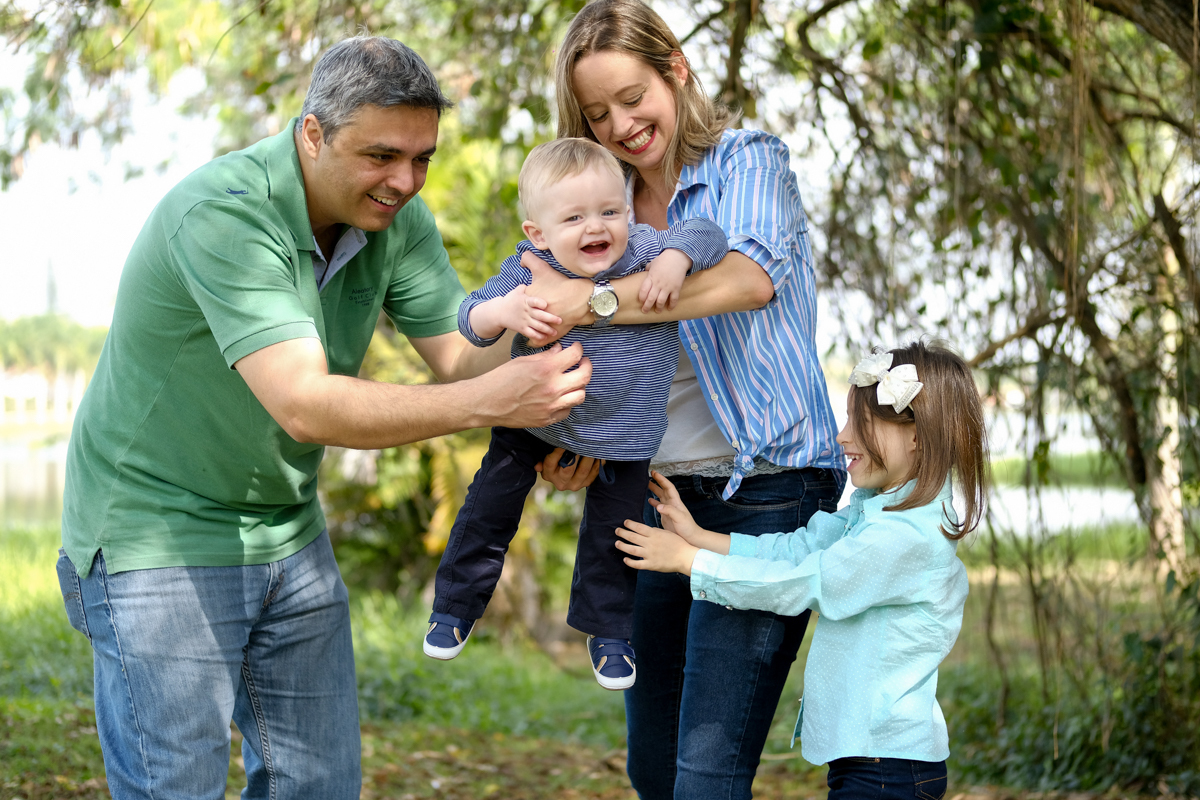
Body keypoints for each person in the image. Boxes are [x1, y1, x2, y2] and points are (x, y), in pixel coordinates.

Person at [54, 36, 592, 800]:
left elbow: (460, 355)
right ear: (312, 133)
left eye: (422, 158)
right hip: (156, 532)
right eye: (381, 156)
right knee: (178, 788)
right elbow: (305, 403)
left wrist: (544, 333)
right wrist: (495, 401)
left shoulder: (398, 222)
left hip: (287, 528)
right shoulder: (225, 214)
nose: (405, 181)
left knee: (320, 786)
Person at [527, 0, 846, 795]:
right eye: (598, 114)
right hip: (650, 497)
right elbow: (578, 357)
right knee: (653, 768)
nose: (622, 125)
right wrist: (572, 453)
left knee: (705, 775)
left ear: (676, 68)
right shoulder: (600, 213)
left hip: (767, 491)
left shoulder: (747, 161)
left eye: (633, 97)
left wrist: (595, 301)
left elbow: (746, 279)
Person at [614, 341, 989, 800]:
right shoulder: (874, 512)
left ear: (917, 437)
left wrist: (688, 563)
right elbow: (796, 551)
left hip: (890, 772)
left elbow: (805, 581)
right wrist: (698, 536)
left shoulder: (904, 538)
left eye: (862, 424)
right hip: (869, 764)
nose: (842, 436)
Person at [424, 137, 728, 691]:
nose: (596, 227)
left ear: (628, 212)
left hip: (626, 432)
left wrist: (677, 258)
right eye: (575, 217)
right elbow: (469, 319)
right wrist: (505, 310)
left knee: (615, 535)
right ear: (537, 233)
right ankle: (455, 606)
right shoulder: (529, 269)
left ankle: (608, 633)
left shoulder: (643, 251)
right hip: (534, 419)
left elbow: (709, 232)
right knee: (488, 509)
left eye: (610, 211)